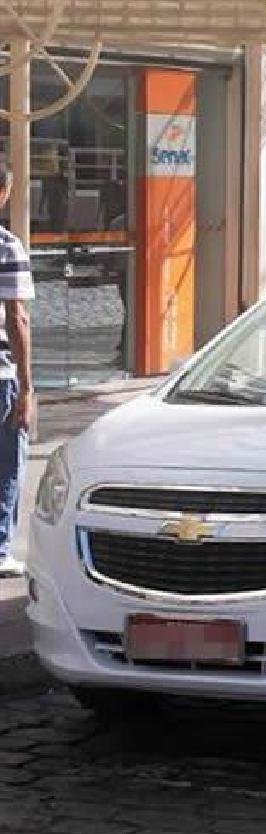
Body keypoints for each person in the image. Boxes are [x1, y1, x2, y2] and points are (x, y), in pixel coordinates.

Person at [0, 160, 35, 578]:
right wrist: (27, 388)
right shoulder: (6, 246)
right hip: (1, 378)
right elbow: (17, 319)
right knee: (8, 464)